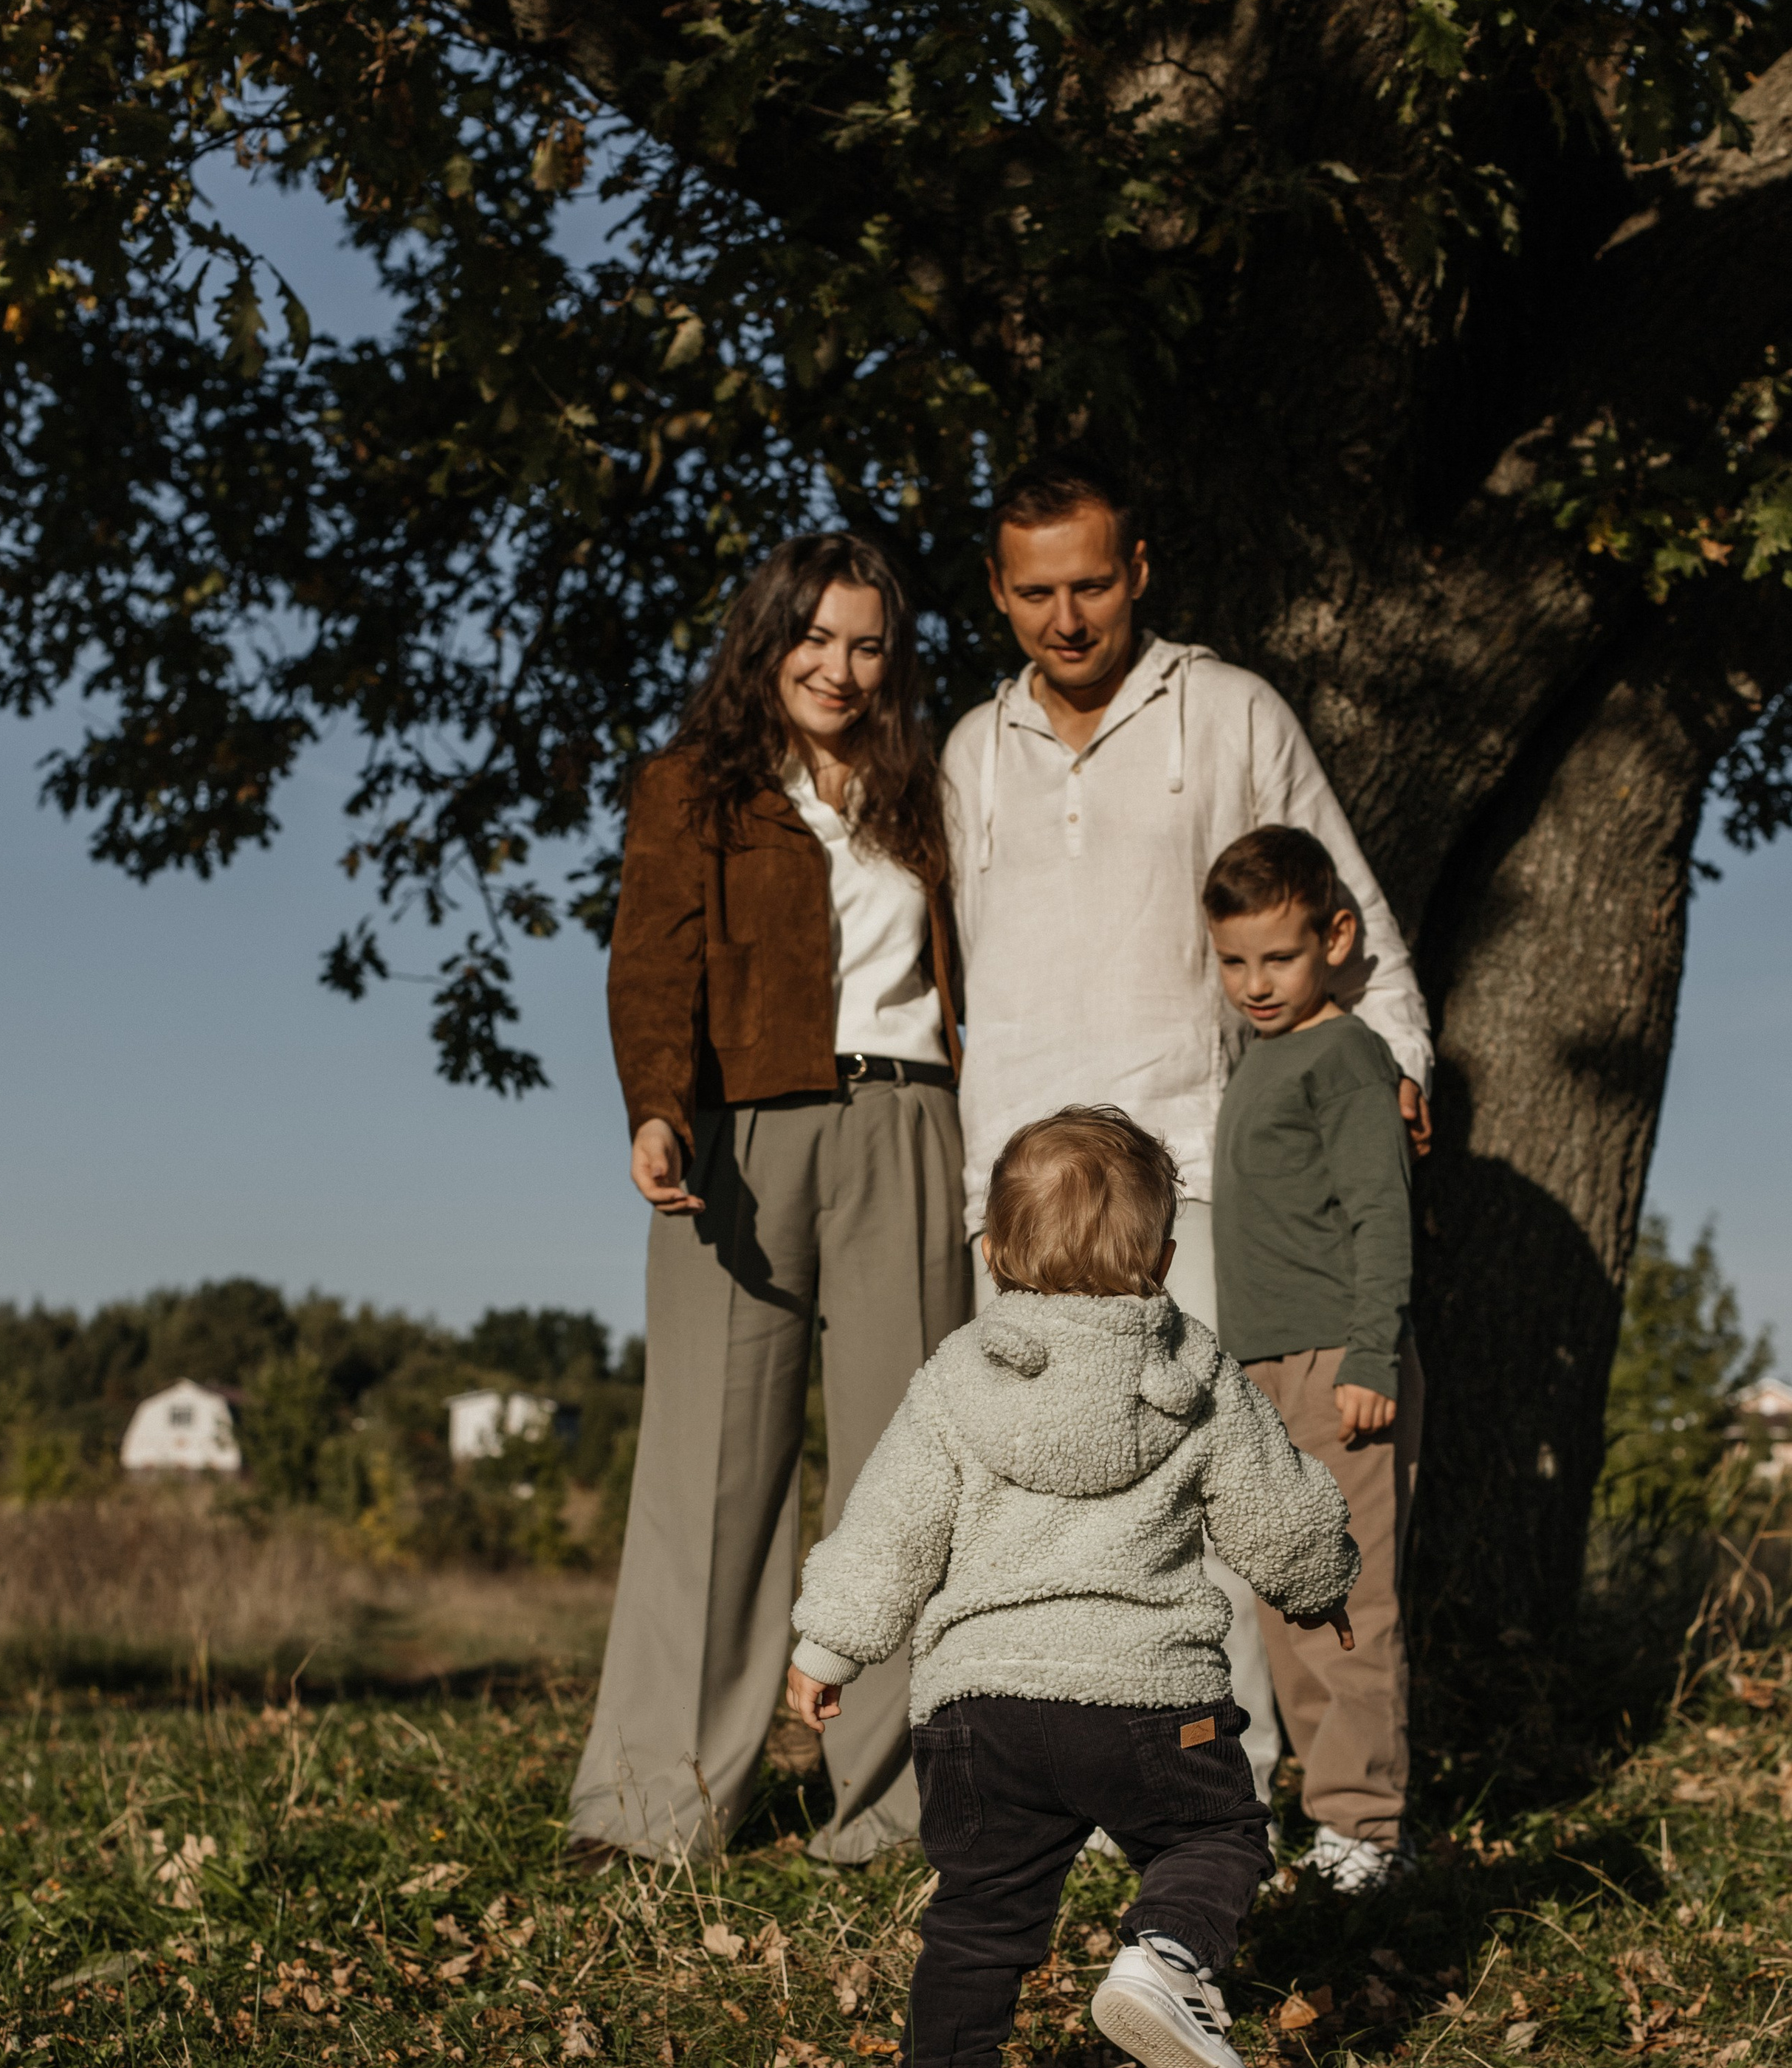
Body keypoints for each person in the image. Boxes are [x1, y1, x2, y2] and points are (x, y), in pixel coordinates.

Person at [941, 454, 1432, 1805]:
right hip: (1023, 1202)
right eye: (1035, 591)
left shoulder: (1229, 713)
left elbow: (1351, 923)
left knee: (1208, 1504)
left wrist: (1400, 1066)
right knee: (1047, 1515)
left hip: (1197, 1172)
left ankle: (1221, 1799)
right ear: (997, 591)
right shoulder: (970, 753)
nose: (1067, 618)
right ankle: (1079, 1801)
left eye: (1092, 582)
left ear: (1140, 570)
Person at [784, 1106, 1358, 2068]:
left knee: (982, 1908)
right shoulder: (1198, 1372)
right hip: (1149, 1698)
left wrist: (829, 1643)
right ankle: (1163, 1958)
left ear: (993, 1248)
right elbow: (1275, 1509)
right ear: (1167, 1256)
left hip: (981, 1707)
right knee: (1216, 1833)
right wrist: (1320, 1583)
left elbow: (888, 1526)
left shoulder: (958, 1375)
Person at [566, 533, 968, 1872]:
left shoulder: (933, 793)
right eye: (816, 637)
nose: (840, 668)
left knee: (903, 1480)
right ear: (768, 640)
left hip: (912, 1122)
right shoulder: (693, 787)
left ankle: (897, 1811)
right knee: (710, 1471)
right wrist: (656, 1104)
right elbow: (652, 961)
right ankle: (651, 1808)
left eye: (867, 644)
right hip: (739, 1132)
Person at [1205, 825, 1424, 1895]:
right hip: (1260, 1374)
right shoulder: (1262, 1054)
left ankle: (1366, 1829)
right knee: (1289, 1604)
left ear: (1336, 937)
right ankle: (1323, 1814)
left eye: (1277, 958)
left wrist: (1373, 1352)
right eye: (1234, 959)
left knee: (1351, 1604)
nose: (1254, 982)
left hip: (1342, 1362)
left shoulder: (1345, 1055)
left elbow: (1383, 1213)